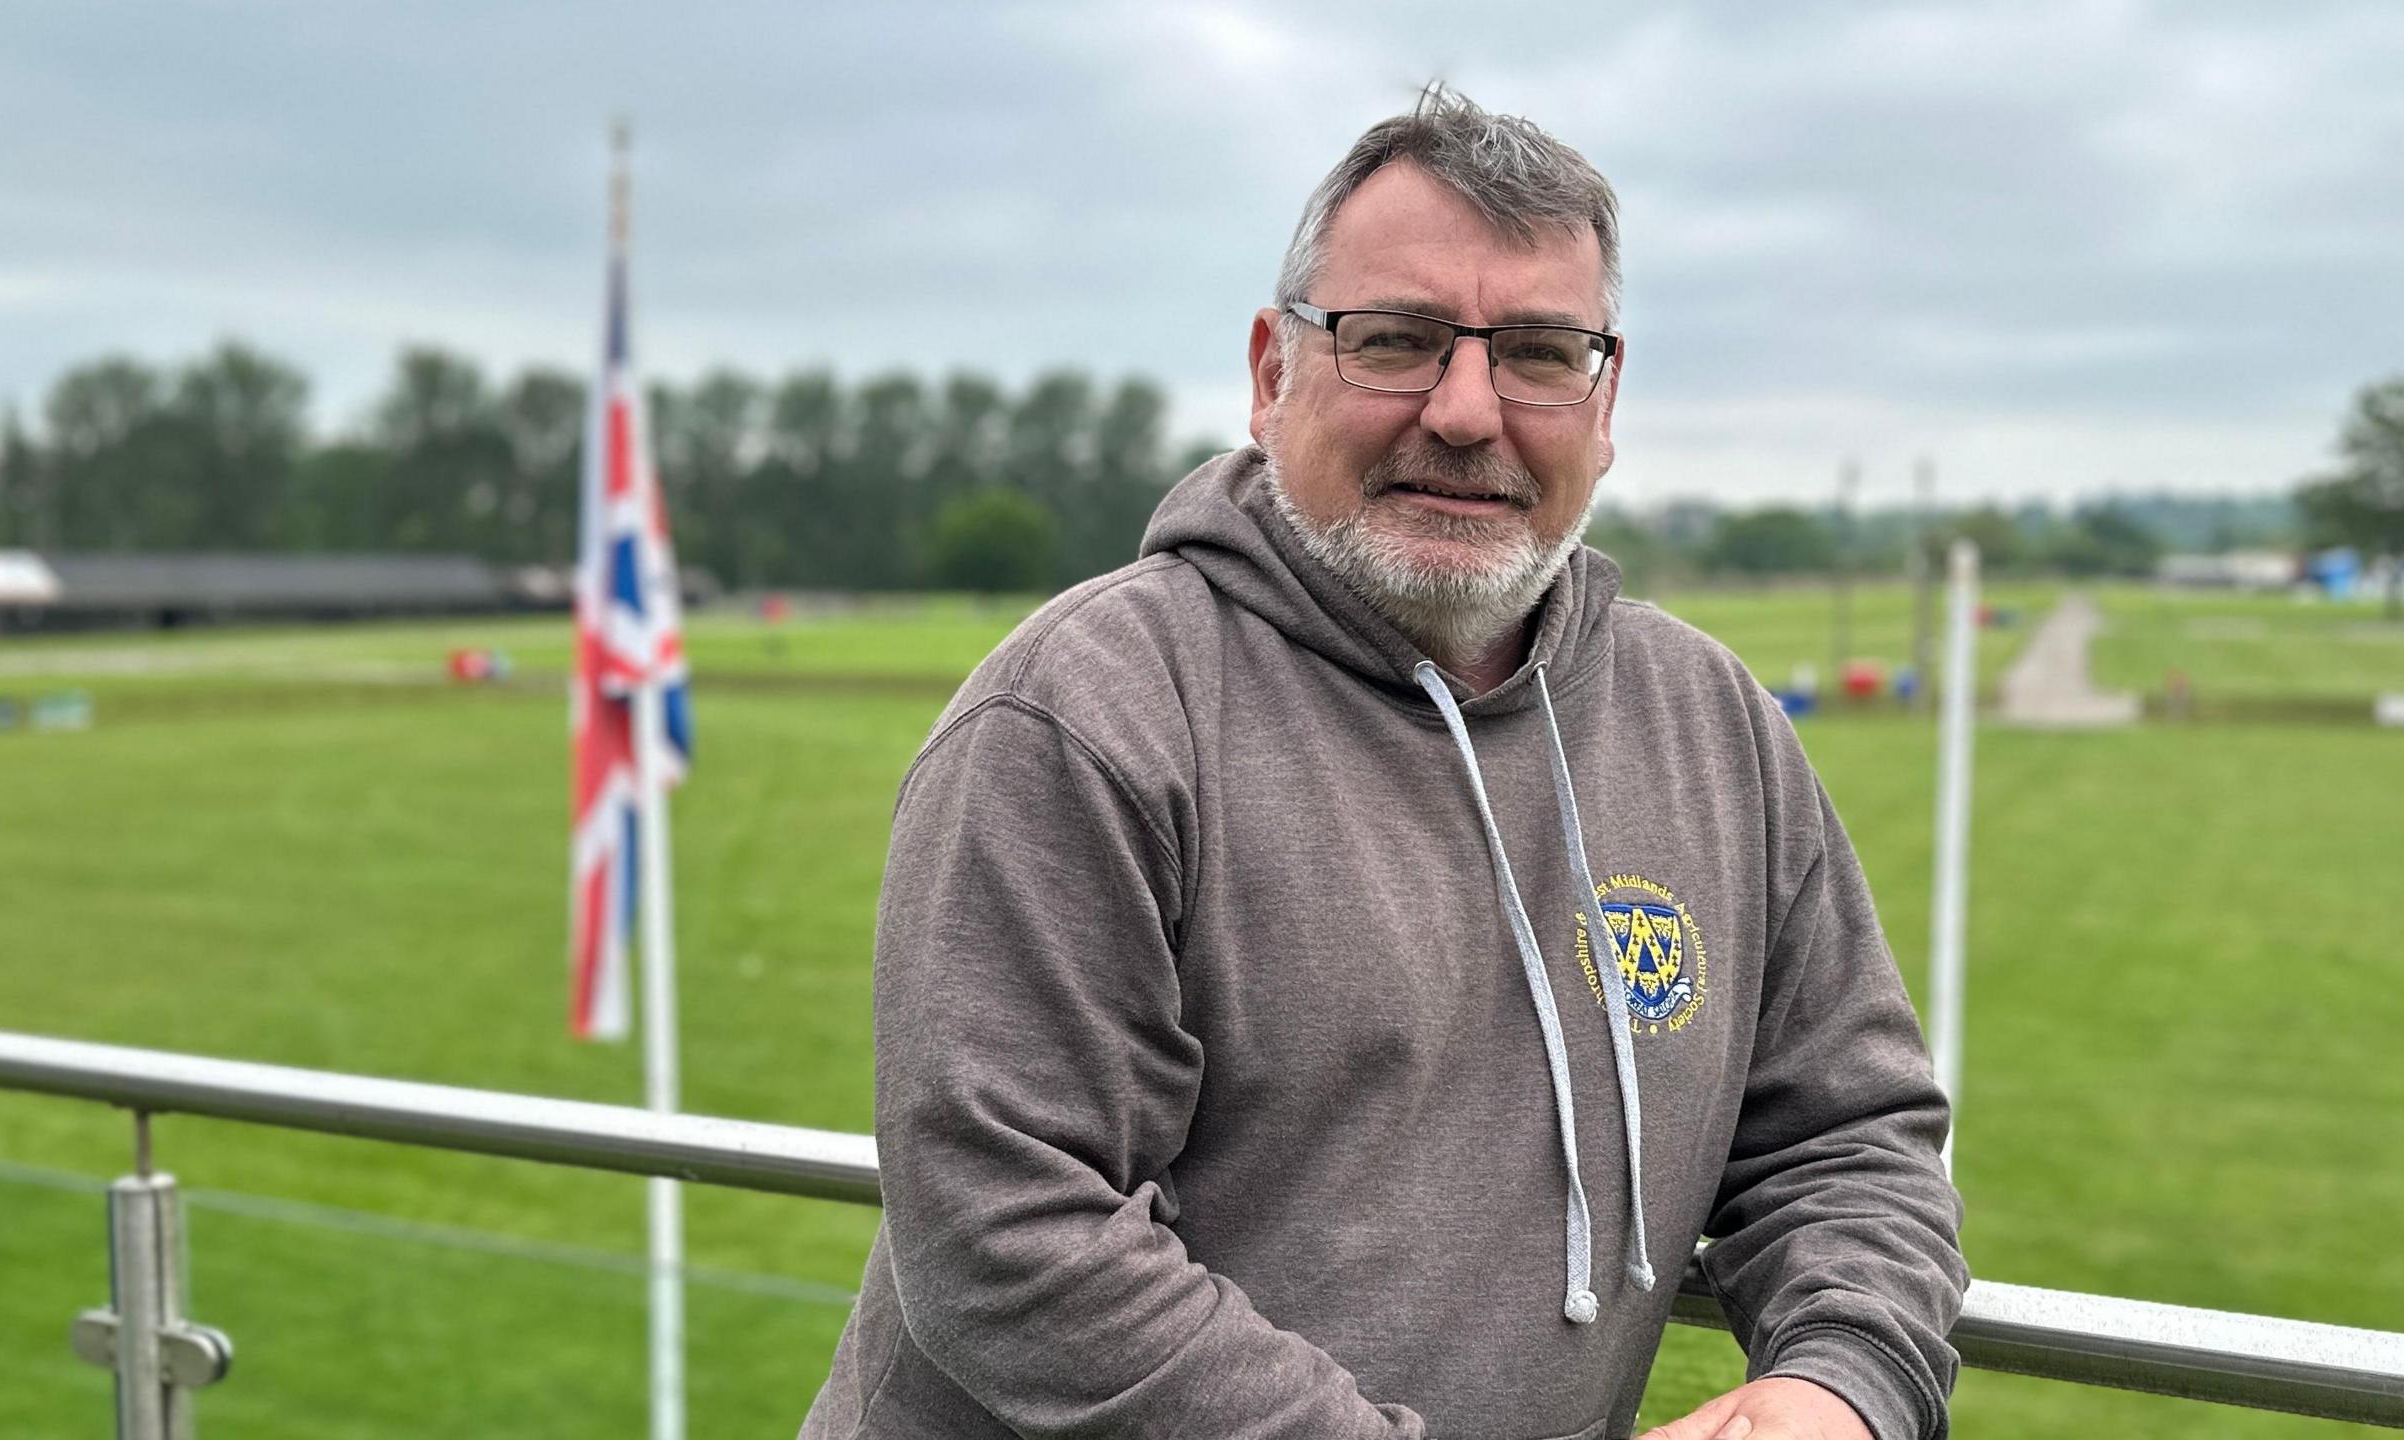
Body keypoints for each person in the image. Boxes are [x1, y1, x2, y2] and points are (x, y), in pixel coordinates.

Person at [801, 84, 1966, 1440]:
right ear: (1271, 369)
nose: (1468, 412)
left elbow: (1847, 1139)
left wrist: (1840, 1383)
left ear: (1605, 396)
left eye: (1538, 352)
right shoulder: (1082, 719)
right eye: (1397, 340)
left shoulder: (1714, 726)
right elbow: (1011, 1240)